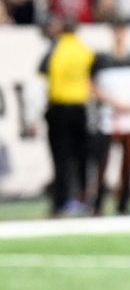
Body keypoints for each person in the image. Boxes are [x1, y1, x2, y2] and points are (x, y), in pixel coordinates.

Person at [89, 18, 130, 216]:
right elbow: (92, 86)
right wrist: (114, 102)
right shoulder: (102, 59)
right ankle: (98, 201)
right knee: (103, 161)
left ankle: (124, 203)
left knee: (128, 162)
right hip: (109, 116)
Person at [37, 16, 94, 215]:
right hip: (80, 106)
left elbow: (42, 72)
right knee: (82, 157)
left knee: (60, 157)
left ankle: (60, 202)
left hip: (59, 106)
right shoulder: (84, 50)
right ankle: (84, 198)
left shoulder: (56, 48)